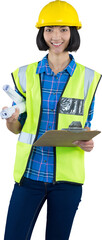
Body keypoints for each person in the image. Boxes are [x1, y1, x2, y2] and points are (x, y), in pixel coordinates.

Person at [3, 0, 101, 239]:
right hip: (29, 176)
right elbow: (17, 128)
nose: (56, 36)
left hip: (67, 182)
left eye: (63, 29)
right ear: (42, 33)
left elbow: (85, 126)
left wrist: (87, 143)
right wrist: (11, 120)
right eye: (49, 29)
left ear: (73, 33)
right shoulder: (23, 74)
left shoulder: (90, 78)